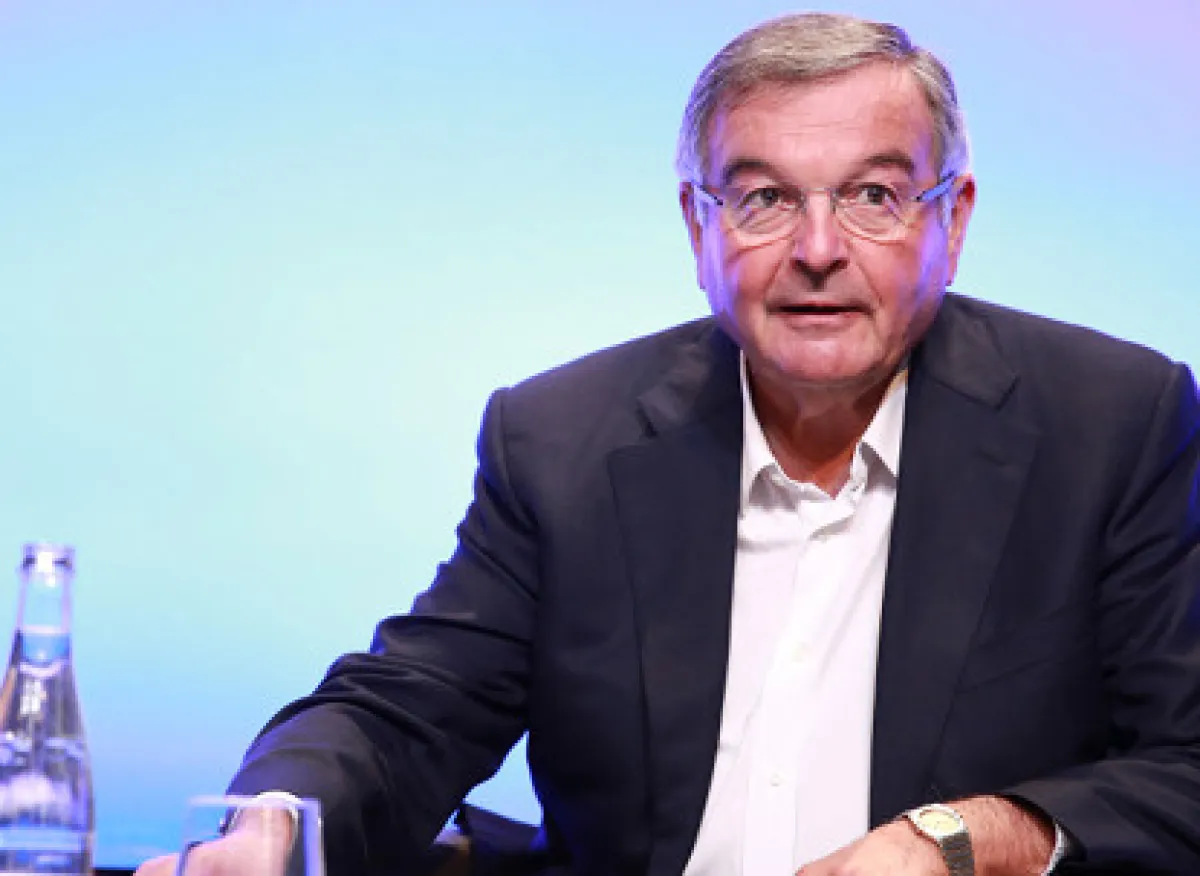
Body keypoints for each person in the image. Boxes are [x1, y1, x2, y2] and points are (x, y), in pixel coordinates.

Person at [136, 11, 1200, 876]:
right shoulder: (563, 441)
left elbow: (1187, 767)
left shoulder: (1110, 424)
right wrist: (275, 825)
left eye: (874, 196)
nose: (817, 249)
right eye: (763, 199)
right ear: (699, 227)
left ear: (950, 221)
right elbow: (409, 710)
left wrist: (967, 839)